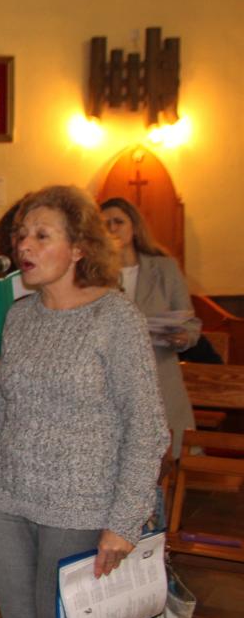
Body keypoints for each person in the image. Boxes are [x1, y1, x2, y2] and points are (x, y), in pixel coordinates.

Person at [0, 186, 169, 618]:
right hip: (9, 504)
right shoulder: (21, 316)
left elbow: (147, 428)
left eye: (41, 235)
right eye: (21, 235)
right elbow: (0, 411)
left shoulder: (115, 318)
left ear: (78, 247)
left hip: (80, 511)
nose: (24, 245)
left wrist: (124, 522)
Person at [100, 196, 201, 457]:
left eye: (118, 222)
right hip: (112, 376)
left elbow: (191, 321)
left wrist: (183, 337)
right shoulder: (94, 274)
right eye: (104, 224)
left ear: (134, 226)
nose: (111, 228)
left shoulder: (164, 268)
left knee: (164, 457)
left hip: (159, 371)